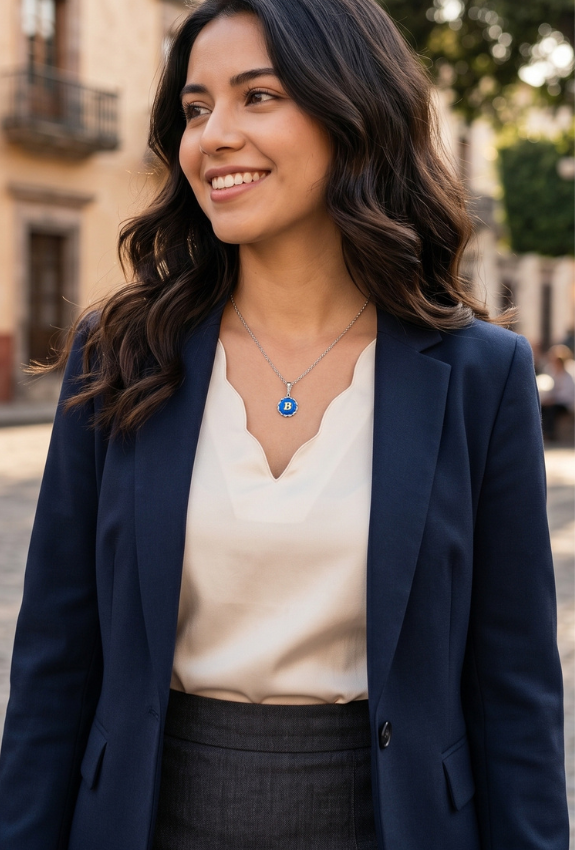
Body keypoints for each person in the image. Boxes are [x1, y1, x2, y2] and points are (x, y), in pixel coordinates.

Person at [0, 0, 568, 848]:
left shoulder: (478, 376)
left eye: (256, 97)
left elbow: (514, 690)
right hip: (143, 817)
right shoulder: (120, 351)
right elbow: (54, 663)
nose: (212, 136)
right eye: (195, 109)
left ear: (352, 110)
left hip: (392, 820)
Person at [538, 344, 575, 442]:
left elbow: (568, 394)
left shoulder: (570, 373)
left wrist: (553, 400)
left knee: (552, 410)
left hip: (566, 403)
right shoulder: (551, 370)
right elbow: (549, 387)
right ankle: (540, 433)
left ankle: (550, 434)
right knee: (541, 408)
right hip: (554, 400)